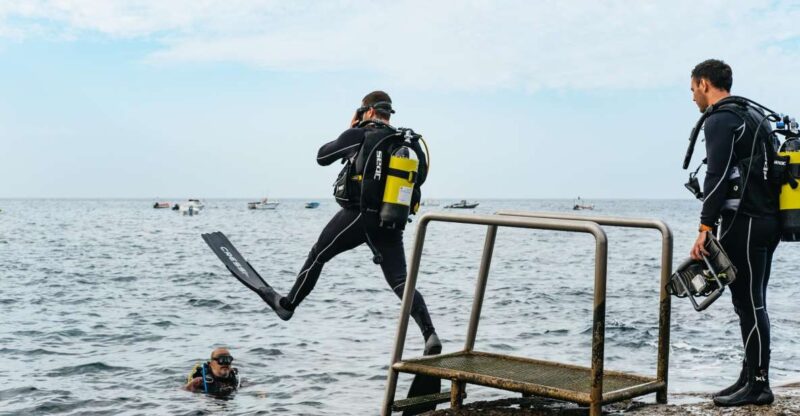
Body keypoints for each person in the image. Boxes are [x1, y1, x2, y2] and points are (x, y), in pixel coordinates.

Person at [259, 91, 441, 355]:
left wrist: (350, 128)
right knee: (400, 281)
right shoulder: (407, 141)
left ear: (366, 111)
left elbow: (322, 157)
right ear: (389, 113)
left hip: (358, 215)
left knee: (318, 255)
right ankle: (430, 334)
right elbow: (420, 177)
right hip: (392, 219)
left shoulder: (360, 134)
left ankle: (287, 306)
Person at [688, 59, 780, 407]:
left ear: (704, 83)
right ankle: (749, 376)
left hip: (748, 222)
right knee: (748, 300)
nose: (693, 97)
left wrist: (705, 227)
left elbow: (717, 174)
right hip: (765, 221)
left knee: (750, 302)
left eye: (693, 89)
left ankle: (759, 385)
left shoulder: (721, 118)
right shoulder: (751, 115)